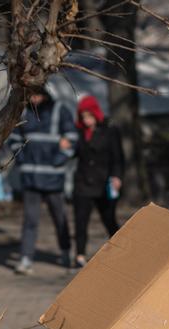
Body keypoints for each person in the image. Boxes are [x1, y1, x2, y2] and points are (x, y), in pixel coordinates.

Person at [6, 89, 77, 274]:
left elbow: (73, 138)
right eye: (30, 95)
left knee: (59, 217)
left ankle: (66, 253)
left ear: (45, 94)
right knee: (30, 220)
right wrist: (21, 159)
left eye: (36, 95)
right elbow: (13, 138)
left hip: (53, 177)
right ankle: (26, 259)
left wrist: (58, 160)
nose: (33, 99)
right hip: (30, 177)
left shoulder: (60, 109)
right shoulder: (23, 111)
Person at [71, 95, 124, 268]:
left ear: (96, 114)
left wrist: (117, 176)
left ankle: (121, 251)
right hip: (83, 183)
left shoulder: (110, 131)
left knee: (109, 219)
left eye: (89, 116)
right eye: (83, 117)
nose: (86, 121)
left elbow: (118, 157)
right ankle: (79, 255)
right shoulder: (78, 133)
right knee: (80, 221)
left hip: (104, 183)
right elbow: (73, 154)